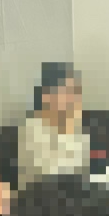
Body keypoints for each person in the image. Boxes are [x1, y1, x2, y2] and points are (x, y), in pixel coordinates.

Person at [18, 61, 91, 190]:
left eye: (76, 92)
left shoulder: (76, 122)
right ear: (47, 96)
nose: (74, 99)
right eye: (68, 92)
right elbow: (55, 178)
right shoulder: (33, 131)